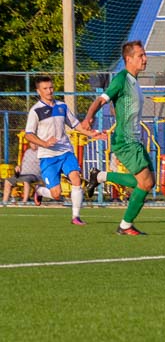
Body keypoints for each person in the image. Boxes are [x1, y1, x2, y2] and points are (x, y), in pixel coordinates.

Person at [81, 40, 155, 236]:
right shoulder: (121, 79)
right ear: (128, 59)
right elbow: (101, 100)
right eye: (141, 55)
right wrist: (88, 118)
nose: (145, 59)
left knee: (148, 182)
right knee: (145, 183)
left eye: (144, 55)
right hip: (126, 141)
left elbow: (118, 105)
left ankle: (100, 176)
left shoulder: (133, 81)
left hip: (134, 140)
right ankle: (125, 226)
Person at [25, 76, 103, 225]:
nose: (49, 91)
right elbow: (29, 134)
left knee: (76, 178)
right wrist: (44, 143)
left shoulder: (62, 106)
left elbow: (76, 125)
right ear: (38, 91)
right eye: (45, 88)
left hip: (65, 151)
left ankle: (76, 217)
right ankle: (40, 191)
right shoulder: (36, 111)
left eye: (51, 87)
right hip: (47, 156)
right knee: (56, 194)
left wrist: (92, 133)